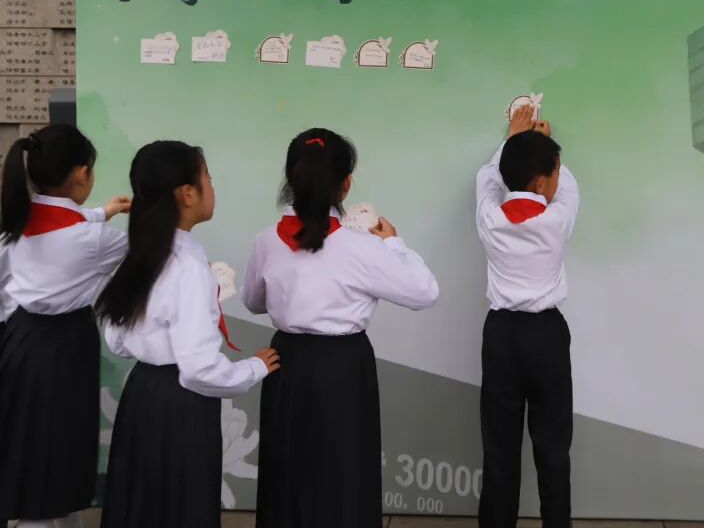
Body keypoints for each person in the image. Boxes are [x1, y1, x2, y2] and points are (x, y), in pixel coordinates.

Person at [242, 128, 439, 528]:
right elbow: (424, 292)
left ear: (291, 177)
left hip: (285, 363)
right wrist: (393, 243)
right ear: (346, 184)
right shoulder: (361, 245)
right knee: (343, 477)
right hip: (343, 369)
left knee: (287, 474)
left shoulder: (266, 241)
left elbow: (253, 302)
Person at [95, 141, 280, 528]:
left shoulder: (140, 252)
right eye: (208, 178)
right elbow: (198, 370)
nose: (213, 187)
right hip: (182, 406)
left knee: (142, 508)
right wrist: (253, 368)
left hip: (142, 394)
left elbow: (116, 339)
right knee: (180, 508)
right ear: (188, 194)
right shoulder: (188, 268)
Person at [0, 125, 130, 528]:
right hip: (63, 350)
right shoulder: (94, 240)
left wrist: (103, 212)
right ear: (81, 173)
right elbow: (146, 248)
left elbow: (62, 226)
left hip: (20, 341)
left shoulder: (15, 223)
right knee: (57, 458)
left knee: (32, 453)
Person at [476, 105, 580, 528]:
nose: (557, 177)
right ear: (542, 181)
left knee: (499, 449)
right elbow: (567, 188)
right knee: (553, 449)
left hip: (501, 335)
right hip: (546, 336)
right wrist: (544, 143)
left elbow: (487, 178)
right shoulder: (557, 220)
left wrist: (514, 140)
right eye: (553, 171)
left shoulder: (490, 217)